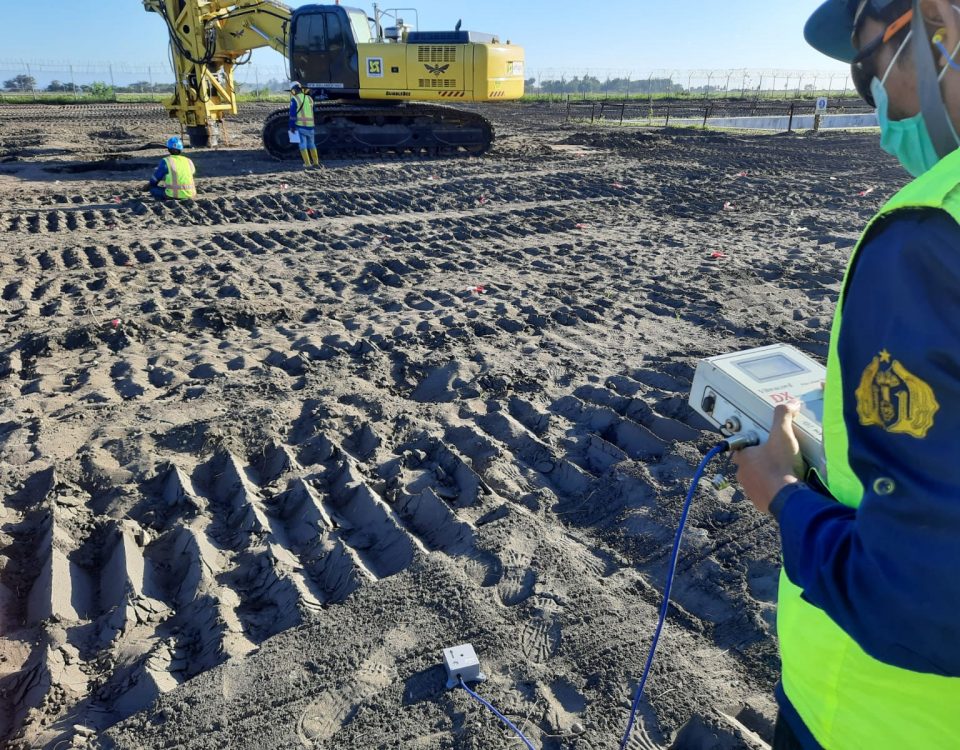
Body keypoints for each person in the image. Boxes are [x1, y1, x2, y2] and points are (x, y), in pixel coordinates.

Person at [733, 0, 960, 748]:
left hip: (883, 722)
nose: (878, 110)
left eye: (870, 70)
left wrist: (783, 496)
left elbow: (917, 598)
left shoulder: (928, 241)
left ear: (940, 25)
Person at [148, 136, 196, 201]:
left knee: (153, 189)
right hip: (191, 194)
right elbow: (192, 172)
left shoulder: (166, 161)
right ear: (181, 149)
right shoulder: (188, 161)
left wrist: (150, 184)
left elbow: (156, 178)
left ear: (168, 149)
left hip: (173, 195)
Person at [289, 82, 320, 168]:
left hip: (300, 126)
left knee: (302, 145)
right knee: (312, 144)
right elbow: (313, 110)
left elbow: (292, 115)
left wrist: (291, 127)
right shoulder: (309, 98)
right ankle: (316, 162)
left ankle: (307, 164)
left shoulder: (295, 99)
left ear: (294, 90)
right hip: (311, 126)